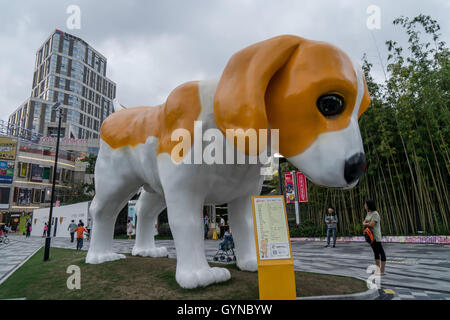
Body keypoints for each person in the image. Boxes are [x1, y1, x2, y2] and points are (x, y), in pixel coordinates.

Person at [363, 200, 387, 275]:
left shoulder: (375, 214)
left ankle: (382, 270)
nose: (364, 205)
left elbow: (371, 224)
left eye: (365, 204)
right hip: (370, 236)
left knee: (381, 252)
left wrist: (366, 223)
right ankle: (377, 270)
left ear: (369, 205)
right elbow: (365, 222)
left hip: (376, 236)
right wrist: (367, 223)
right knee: (376, 253)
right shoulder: (368, 213)